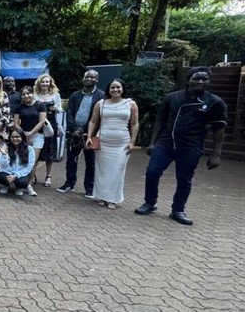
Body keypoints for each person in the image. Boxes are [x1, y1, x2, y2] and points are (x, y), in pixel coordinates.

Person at [135, 67, 227, 225]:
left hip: (191, 147)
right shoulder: (172, 98)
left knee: (184, 179)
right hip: (166, 143)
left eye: (204, 79)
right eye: (196, 78)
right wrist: (152, 142)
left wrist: (216, 154)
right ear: (188, 80)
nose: (200, 81)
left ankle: (178, 210)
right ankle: (150, 203)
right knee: (152, 172)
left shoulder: (215, 102)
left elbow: (219, 130)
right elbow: (160, 120)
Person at [86, 79, 139, 209]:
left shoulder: (131, 104)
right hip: (103, 142)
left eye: (118, 87)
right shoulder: (101, 103)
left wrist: (132, 142)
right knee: (102, 171)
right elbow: (93, 121)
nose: (115, 90)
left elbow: (134, 124)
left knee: (117, 171)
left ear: (122, 89)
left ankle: (113, 198)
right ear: (108, 90)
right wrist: (89, 136)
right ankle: (102, 196)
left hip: (122, 143)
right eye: (112, 88)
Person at [57, 70, 106, 197]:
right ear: (83, 79)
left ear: (97, 80)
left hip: (91, 134)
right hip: (74, 134)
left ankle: (89, 188)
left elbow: (98, 118)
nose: (89, 78)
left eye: (93, 77)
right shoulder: (75, 95)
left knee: (91, 162)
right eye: (87, 76)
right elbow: (69, 113)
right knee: (71, 161)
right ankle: (69, 184)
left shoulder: (102, 96)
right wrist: (74, 129)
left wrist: (82, 129)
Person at [13, 87, 46, 197]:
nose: (26, 96)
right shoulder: (19, 107)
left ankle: (28, 184)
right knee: (22, 159)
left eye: (28, 93)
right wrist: (23, 134)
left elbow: (42, 121)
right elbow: (16, 123)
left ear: (33, 93)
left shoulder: (40, 105)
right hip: (22, 135)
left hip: (37, 135)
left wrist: (31, 133)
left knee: (33, 161)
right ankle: (20, 184)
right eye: (23, 94)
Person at [33, 74, 62, 187]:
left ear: (50, 83)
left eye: (47, 82)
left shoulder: (55, 95)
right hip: (37, 124)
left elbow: (60, 110)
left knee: (50, 151)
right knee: (36, 150)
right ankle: (33, 174)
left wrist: (55, 108)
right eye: (43, 82)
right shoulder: (35, 95)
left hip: (50, 123)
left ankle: (48, 176)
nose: (45, 84)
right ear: (39, 83)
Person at [0, 127, 35, 196]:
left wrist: (16, 175)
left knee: (22, 182)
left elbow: (29, 167)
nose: (14, 139)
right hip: (7, 171)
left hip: (20, 173)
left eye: (17, 137)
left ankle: (19, 188)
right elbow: (2, 165)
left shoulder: (30, 150)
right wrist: (4, 154)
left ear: (22, 137)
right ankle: (5, 185)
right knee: (1, 176)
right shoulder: (5, 147)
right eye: (12, 137)